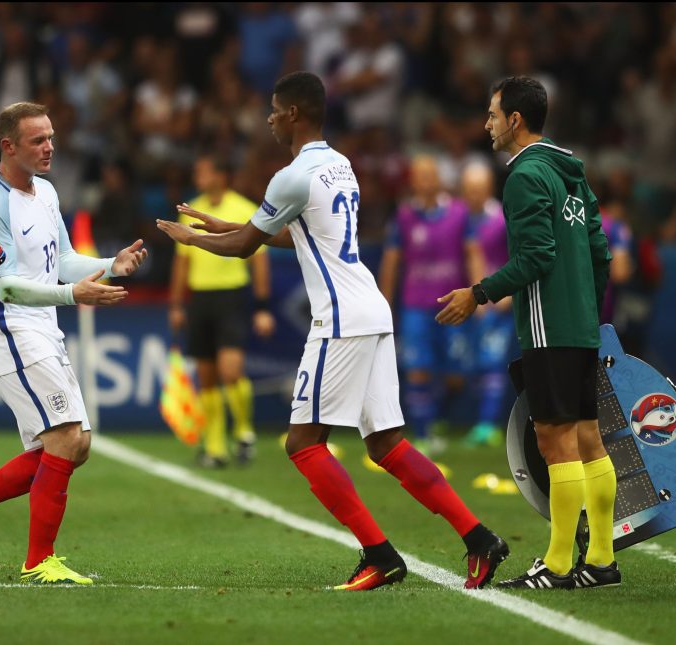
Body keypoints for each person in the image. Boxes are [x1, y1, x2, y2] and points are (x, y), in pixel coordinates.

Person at [158, 71, 508, 591]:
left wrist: (193, 239)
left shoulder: (291, 175)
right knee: (388, 444)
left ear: (294, 114)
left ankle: (379, 554)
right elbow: (299, 238)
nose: (270, 118)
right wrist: (225, 226)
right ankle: (480, 540)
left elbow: (248, 247)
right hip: (372, 308)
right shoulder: (341, 166)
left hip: (341, 317)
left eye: (275, 110)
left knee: (302, 443)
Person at [0, 102, 147, 585]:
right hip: (12, 330)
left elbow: (63, 260)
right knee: (65, 439)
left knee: (77, 446)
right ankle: (38, 561)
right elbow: (5, 286)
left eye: (51, 137)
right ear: (8, 146)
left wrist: (111, 264)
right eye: (38, 140)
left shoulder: (46, 192)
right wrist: (76, 295)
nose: (50, 147)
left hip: (43, 329)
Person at [436, 76, 618, 590]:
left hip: (548, 326)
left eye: (492, 114)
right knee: (588, 438)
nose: (487, 124)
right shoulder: (571, 173)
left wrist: (479, 292)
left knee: (554, 439)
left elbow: (537, 257)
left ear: (515, 120)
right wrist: (587, 307)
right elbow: (598, 251)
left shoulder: (523, 176)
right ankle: (601, 558)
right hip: (578, 324)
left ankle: (560, 564)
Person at [168, 153, 275, 468]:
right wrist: (176, 304)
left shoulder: (243, 208)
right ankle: (215, 446)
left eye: (204, 169)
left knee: (231, 371)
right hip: (200, 298)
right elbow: (182, 261)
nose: (198, 175)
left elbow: (259, 260)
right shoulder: (190, 209)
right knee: (207, 376)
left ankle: (243, 428)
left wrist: (263, 306)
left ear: (221, 175)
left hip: (231, 297)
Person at [378, 155, 484, 455]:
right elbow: (391, 261)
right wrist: (385, 301)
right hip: (416, 305)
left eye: (430, 175)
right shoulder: (403, 217)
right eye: (419, 175)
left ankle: (436, 418)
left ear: (438, 179)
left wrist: (480, 292)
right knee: (418, 369)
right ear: (412, 181)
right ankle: (422, 432)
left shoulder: (460, 214)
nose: (425, 181)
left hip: (453, 304)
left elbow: (473, 252)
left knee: (455, 375)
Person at [459, 163, 515, 447]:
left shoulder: (503, 219)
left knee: (493, 361)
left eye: (478, 190)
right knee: (470, 362)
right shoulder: (461, 219)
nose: (473, 196)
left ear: (489, 189)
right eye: (469, 191)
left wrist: (509, 294)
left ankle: (487, 425)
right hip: (471, 299)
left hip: (499, 301)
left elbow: (519, 256)